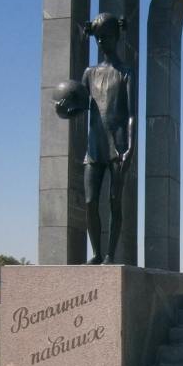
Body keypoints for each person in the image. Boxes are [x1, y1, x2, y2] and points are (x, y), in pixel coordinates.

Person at [54, 13, 136, 265]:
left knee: (114, 201)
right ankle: (97, 252)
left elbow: (132, 114)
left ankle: (110, 254)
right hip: (95, 146)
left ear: (116, 37)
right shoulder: (90, 73)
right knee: (90, 202)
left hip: (118, 145)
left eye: (107, 37)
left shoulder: (125, 73)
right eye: (98, 38)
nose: (102, 42)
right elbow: (79, 106)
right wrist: (64, 107)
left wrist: (130, 147)